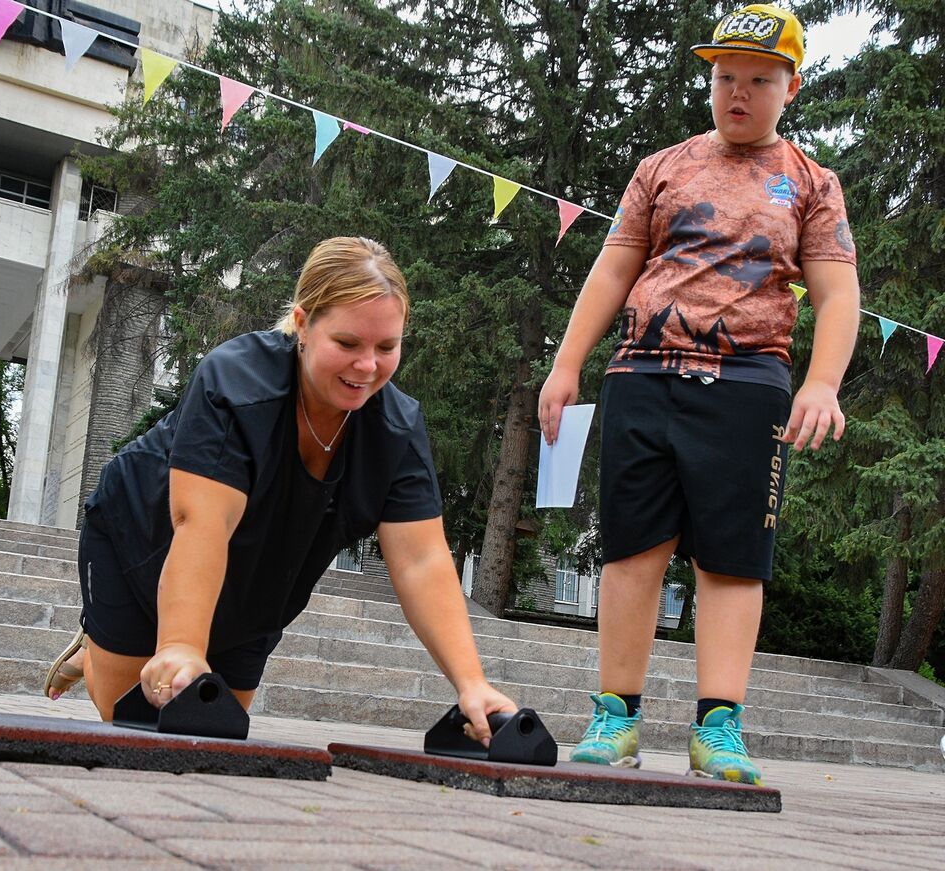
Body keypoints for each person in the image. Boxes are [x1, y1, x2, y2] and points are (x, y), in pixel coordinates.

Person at [537, 4, 859, 784]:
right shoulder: (663, 166)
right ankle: (615, 716)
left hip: (748, 389)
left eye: (758, 79)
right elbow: (614, 266)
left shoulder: (813, 184)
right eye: (724, 78)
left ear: (791, 85)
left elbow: (840, 291)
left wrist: (822, 383)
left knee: (732, 560)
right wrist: (566, 362)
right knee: (631, 549)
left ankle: (720, 728)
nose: (738, 93)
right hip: (642, 376)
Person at [46, 236, 517, 742]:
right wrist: (182, 644)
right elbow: (201, 524)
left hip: (261, 583)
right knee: (135, 727)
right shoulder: (236, 382)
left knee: (213, 733)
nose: (367, 367)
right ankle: (98, 650)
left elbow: (421, 560)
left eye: (386, 347)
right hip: (145, 545)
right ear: (302, 323)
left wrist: (472, 685)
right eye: (348, 344)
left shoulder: (396, 431)